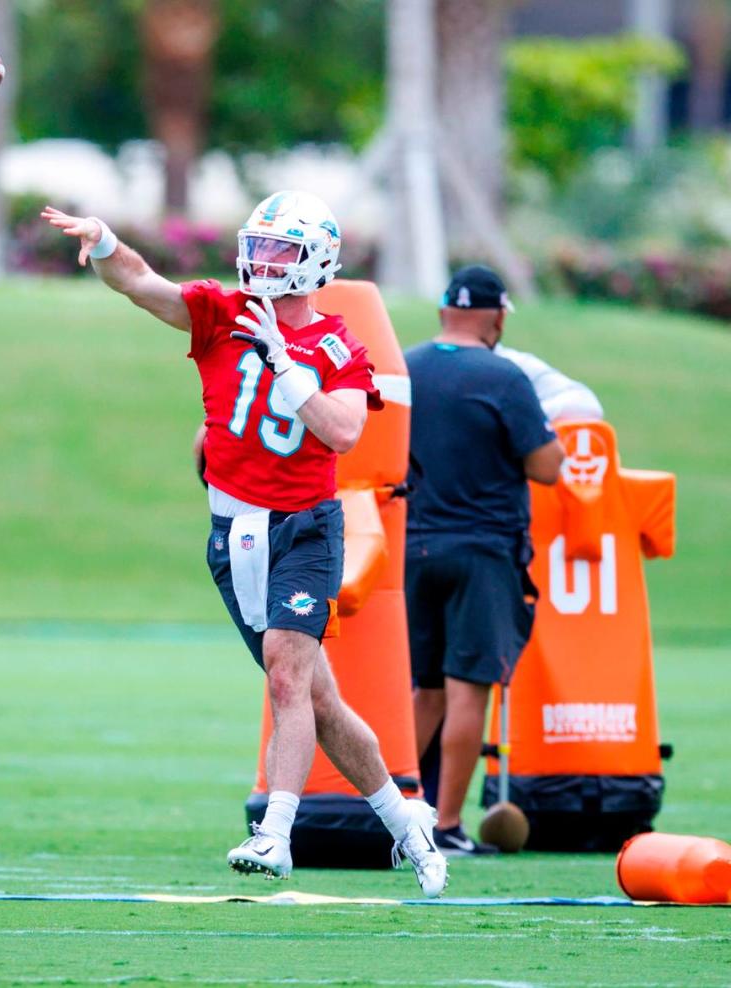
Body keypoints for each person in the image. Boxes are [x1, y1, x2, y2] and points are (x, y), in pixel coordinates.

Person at [42, 191, 447, 896]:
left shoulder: (338, 347)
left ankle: (275, 835)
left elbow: (345, 433)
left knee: (287, 676)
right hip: (234, 533)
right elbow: (143, 284)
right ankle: (407, 821)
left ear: (316, 262)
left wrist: (285, 366)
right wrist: (104, 241)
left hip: (304, 527)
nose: (262, 261)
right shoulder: (222, 312)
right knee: (318, 701)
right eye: (256, 246)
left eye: (280, 250)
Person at [403, 264, 565, 856]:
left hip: (414, 548)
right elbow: (546, 467)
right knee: (468, 689)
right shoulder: (505, 376)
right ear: (496, 316)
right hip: (484, 552)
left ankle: (389, 813)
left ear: (445, 309)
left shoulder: (405, 366)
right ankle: (444, 826)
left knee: (422, 693)